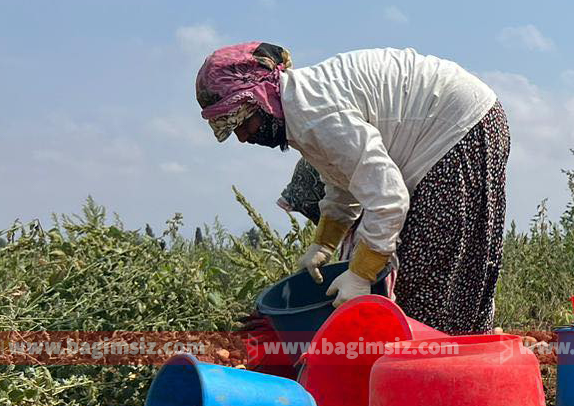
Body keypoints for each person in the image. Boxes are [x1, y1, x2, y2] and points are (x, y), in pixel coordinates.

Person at [196, 42, 508, 335]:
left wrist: (361, 275)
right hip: (454, 124)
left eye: (242, 123)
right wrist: (324, 244)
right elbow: (343, 180)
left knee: (429, 280)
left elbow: (388, 198)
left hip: (460, 125)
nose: (243, 137)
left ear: (261, 99)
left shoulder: (315, 115)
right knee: (422, 277)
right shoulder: (302, 109)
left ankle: (455, 375)